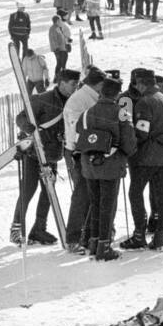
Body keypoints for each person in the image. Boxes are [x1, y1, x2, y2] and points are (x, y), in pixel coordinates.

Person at [120, 69, 163, 251]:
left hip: (146, 158)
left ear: (141, 83)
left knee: (135, 193)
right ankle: (160, 236)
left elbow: (141, 133)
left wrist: (128, 149)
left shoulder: (144, 102)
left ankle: (139, 235)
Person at [11, 69, 78, 245]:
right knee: (28, 190)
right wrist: (29, 128)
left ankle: (39, 229)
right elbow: (20, 118)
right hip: (34, 152)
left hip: (52, 154)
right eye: (73, 84)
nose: (75, 87)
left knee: (49, 193)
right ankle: (16, 228)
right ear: (62, 83)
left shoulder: (73, 101)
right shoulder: (42, 98)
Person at [77, 76, 136, 260]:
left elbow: (80, 130)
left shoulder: (87, 112)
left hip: (89, 165)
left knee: (95, 205)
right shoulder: (122, 113)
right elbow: (129, 142)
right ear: (117, 94)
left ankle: (94, 242)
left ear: (101, 91)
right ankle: (104, 247)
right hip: (110, 166)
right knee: (107, 207)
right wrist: (124, 153)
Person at [62, 67, 105, 253]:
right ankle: (72, 238)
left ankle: (86, 235)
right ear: (99, 84)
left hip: (86, 151)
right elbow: (79, 129)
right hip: (79, 153)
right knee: (82, 195)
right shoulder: (80, 99)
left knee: (90, 195)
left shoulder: (89, 97)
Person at [49, 14, 71, 79]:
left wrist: (68, 41)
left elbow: (62, 36)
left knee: (63, 62)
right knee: (60, 63)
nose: (61, 21)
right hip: (59, 49)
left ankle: (61, 76)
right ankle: (57, 77)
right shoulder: (53, 28)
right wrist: (56, 49)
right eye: (59, 20)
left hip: (63, 48)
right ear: (57, 21)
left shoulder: (58, 27)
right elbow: (53, 39)